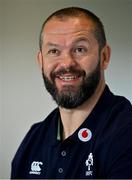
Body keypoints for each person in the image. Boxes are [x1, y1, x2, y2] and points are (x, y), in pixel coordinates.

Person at [11, 7, 132, 179]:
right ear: (41, 61)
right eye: (54, 51)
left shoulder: (126, 132)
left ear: (104, 57)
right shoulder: (34, 138)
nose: (67, 63)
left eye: (80, 49)